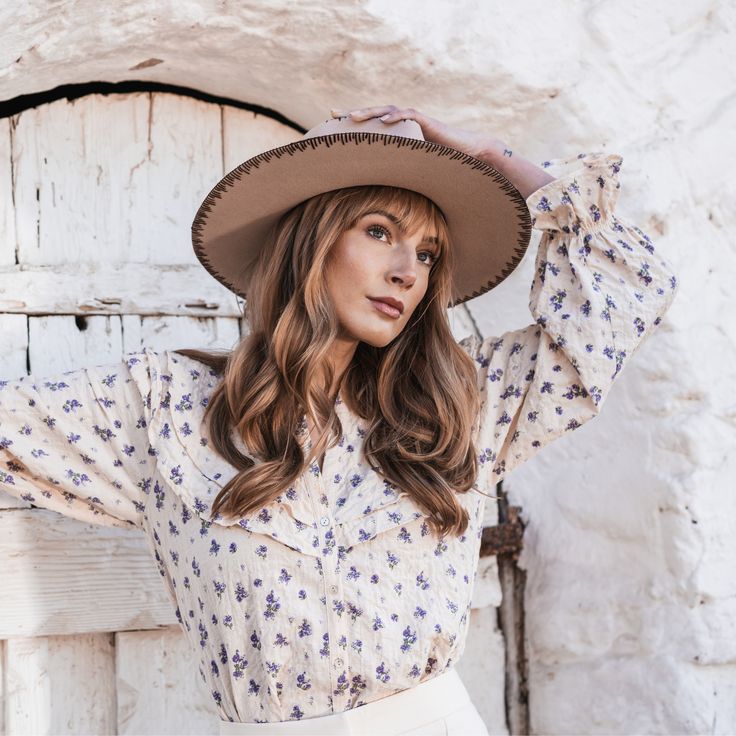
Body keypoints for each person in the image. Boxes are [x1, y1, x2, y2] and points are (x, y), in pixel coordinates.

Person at [0, 104, 678, 735]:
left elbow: (627, 295)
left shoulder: (463, 405)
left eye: (428, 252)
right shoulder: (163, 405)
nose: (408, 271)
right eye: (380, 231)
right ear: (312, 239)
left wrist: (486, 155)